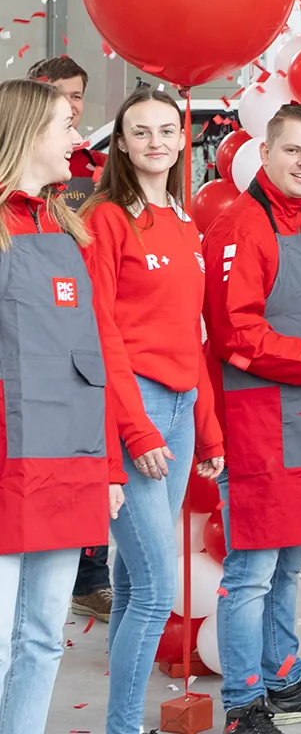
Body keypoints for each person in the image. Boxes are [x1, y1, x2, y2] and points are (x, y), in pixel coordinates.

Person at [202, 103, 301, 734]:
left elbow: (293, 307)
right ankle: (244, 705)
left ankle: (284, 679)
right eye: (293, 150)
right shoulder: (242, 225)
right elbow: (238, 336)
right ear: (265, 154)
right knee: (251, 572)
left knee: (290, 563)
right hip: (263, 423)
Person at [81, 89, 228, 734]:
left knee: (135, 582)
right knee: (154, 590)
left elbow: (189, 333)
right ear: (121, 143)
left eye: (167, 130)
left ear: (181, 139)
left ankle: (121, 722)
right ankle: (123, 726)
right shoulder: (108, 218)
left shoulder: (186, 222)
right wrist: (135, 429)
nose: (156, 142)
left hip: (181, 407)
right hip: (134, 408)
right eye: (140, 132)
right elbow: (101, 329)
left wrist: (210, 428)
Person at [0, 79, 135, 733]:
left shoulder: (66, 228)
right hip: (6, 468)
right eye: (64, 125)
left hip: (64, 464)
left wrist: (105, 465)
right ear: (26, 134)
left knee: (43, 638)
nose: (78, 140)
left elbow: (93, 363)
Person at [27, 56, 114, 621]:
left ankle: (92, 576)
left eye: (78, 96)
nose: (75, 108)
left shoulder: (95, 174)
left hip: (81, 347)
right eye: (59, 97)